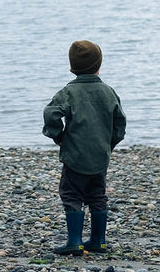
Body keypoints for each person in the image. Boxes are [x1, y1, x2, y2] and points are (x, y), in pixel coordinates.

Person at [43, 41, 126, 256]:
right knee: (97, 196)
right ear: (99, 65)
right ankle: (98, 240)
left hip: (74, 155)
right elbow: (120, 124)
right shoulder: (108, 92)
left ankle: (75, 241)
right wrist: (109, 144)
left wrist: (59, 136)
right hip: (100, 155)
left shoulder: (69, 92)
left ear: (72, 67)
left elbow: (50, 114)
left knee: (71, 195)